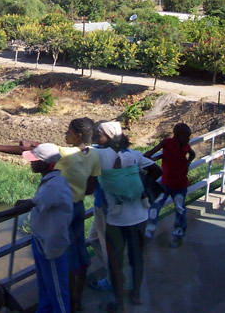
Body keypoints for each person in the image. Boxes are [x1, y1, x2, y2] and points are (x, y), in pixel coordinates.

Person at [0, 117, 100, 311]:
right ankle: (77, 301)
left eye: (69, 131)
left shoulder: (62, 158)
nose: (66, 133)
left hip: (55, 216)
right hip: (76, 207)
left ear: (79, 135)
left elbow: (34, 152)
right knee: (78, 257)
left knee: (58, 272)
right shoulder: (93, 154)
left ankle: (67, 304)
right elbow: (90, 189)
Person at [0, 143, 73, 313]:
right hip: (42, 241)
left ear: (46, 164)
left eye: (35, 160)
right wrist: (26, 201)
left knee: (57, 292)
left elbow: (31, 205)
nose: (31, 163)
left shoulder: (54, 186)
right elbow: (39, 201)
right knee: (45, 289)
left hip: (51, 247)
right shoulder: (53, 181)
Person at [99, 135, 162, 310]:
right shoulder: (136, 155)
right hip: (140, 217)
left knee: (116, 263)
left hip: (116, 221)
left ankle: (119, 303)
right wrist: (143, 187)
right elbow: (158, 171)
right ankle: (136, 294)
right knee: (137, 258)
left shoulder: (105, 157)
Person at [143, 123, 196, 247]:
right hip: (165, 184)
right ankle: (148, 235)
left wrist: (187, 164)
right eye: (186, 136)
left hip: (180, 185)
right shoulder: (166, 143)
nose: (188, 139)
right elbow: (150, 152)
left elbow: (192, 154)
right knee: (154, 208)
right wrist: (149, 159)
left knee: (180, 210)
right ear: (177, 135)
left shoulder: (186, 146)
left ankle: (178, 235)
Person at [87, 121, 123, 293]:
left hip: (105, 207)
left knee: (106, 245)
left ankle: (113, 280)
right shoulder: (118, 151)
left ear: (108, 137)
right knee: (93, 240)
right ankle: (114, 273)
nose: (95, 134)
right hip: (108, 205)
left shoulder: (99, 154)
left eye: (99, 133)